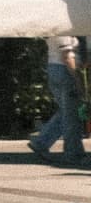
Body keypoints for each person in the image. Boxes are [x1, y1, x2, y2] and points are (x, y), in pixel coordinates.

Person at [33, 32, 86, 166]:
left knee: (66, 112)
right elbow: (67, 56)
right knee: (71, 116)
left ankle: (41, 142)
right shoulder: (64, 33)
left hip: (55, 69)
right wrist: (78, 79)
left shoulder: (54, 31)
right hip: (65, 72)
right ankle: (73, 153)